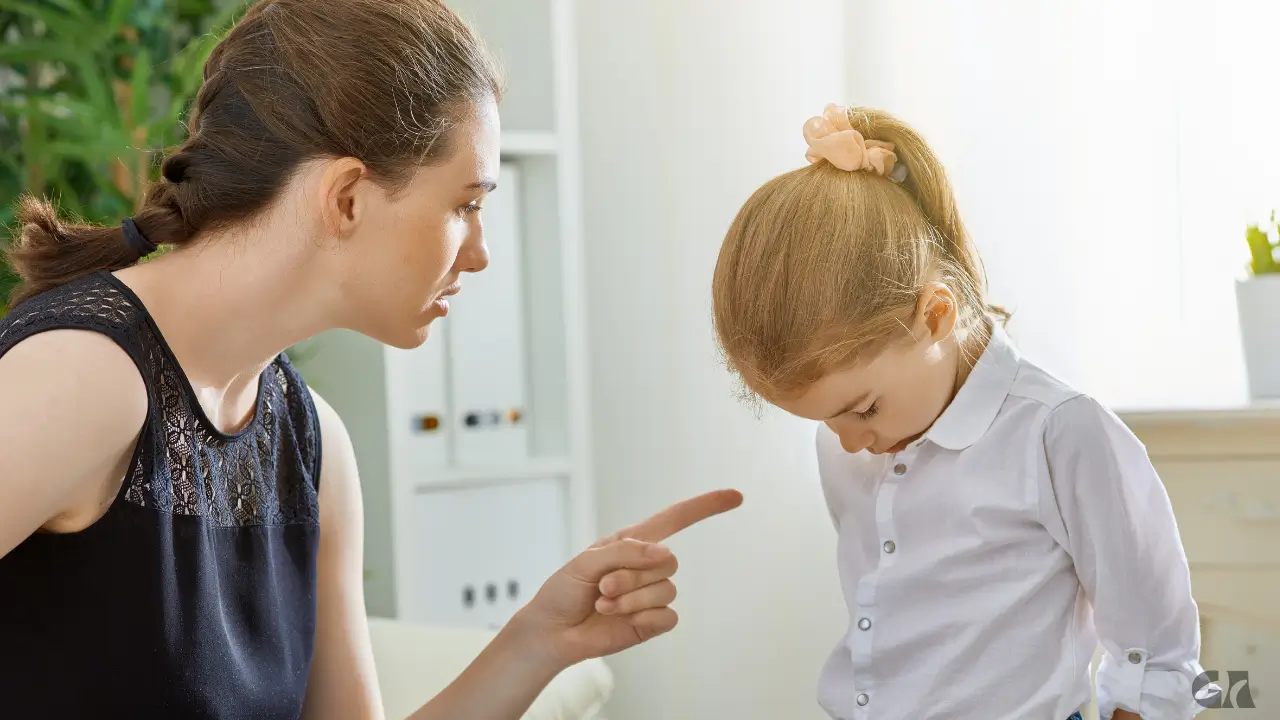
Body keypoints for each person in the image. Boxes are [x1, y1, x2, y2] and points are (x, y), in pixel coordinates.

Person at [0, 1, 742, 718]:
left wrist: (538, 641)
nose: (480, 253)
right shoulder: (84, 378)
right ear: (348, 196)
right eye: (465, 205)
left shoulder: (313, 445)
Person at [710, 104, 1208, 720]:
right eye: (823, 420)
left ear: (936, 316)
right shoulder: (849, 447)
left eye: (862, 408)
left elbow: (1156, 654)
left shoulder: (1058, 433)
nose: (847, 441)